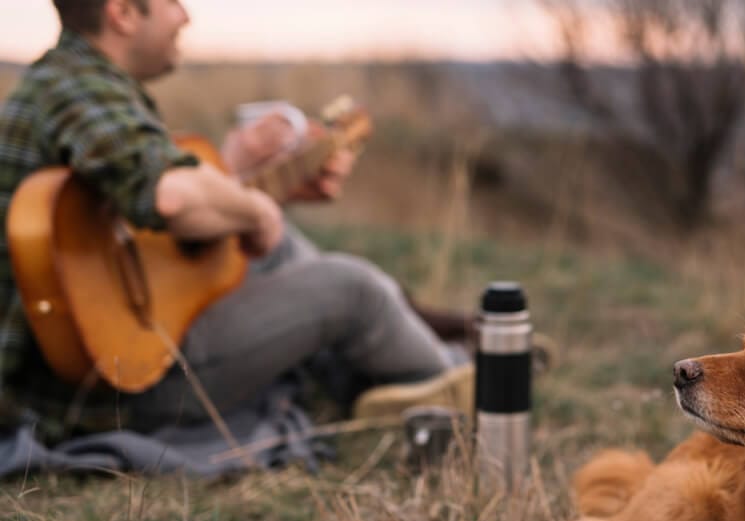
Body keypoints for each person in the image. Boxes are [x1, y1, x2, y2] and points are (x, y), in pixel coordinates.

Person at [0, 0, 475, 461]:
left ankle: (395, 363)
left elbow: (131, 223)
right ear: (122, 13)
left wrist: (239, 174)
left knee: (281, 247)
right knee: (352, 287)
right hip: (115, 392)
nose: (185, 15)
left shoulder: (64, 82)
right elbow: (171, 198)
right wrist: (258, 212)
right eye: (171, 1)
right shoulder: (79, 89)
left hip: (101, 367)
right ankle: (455, 382)